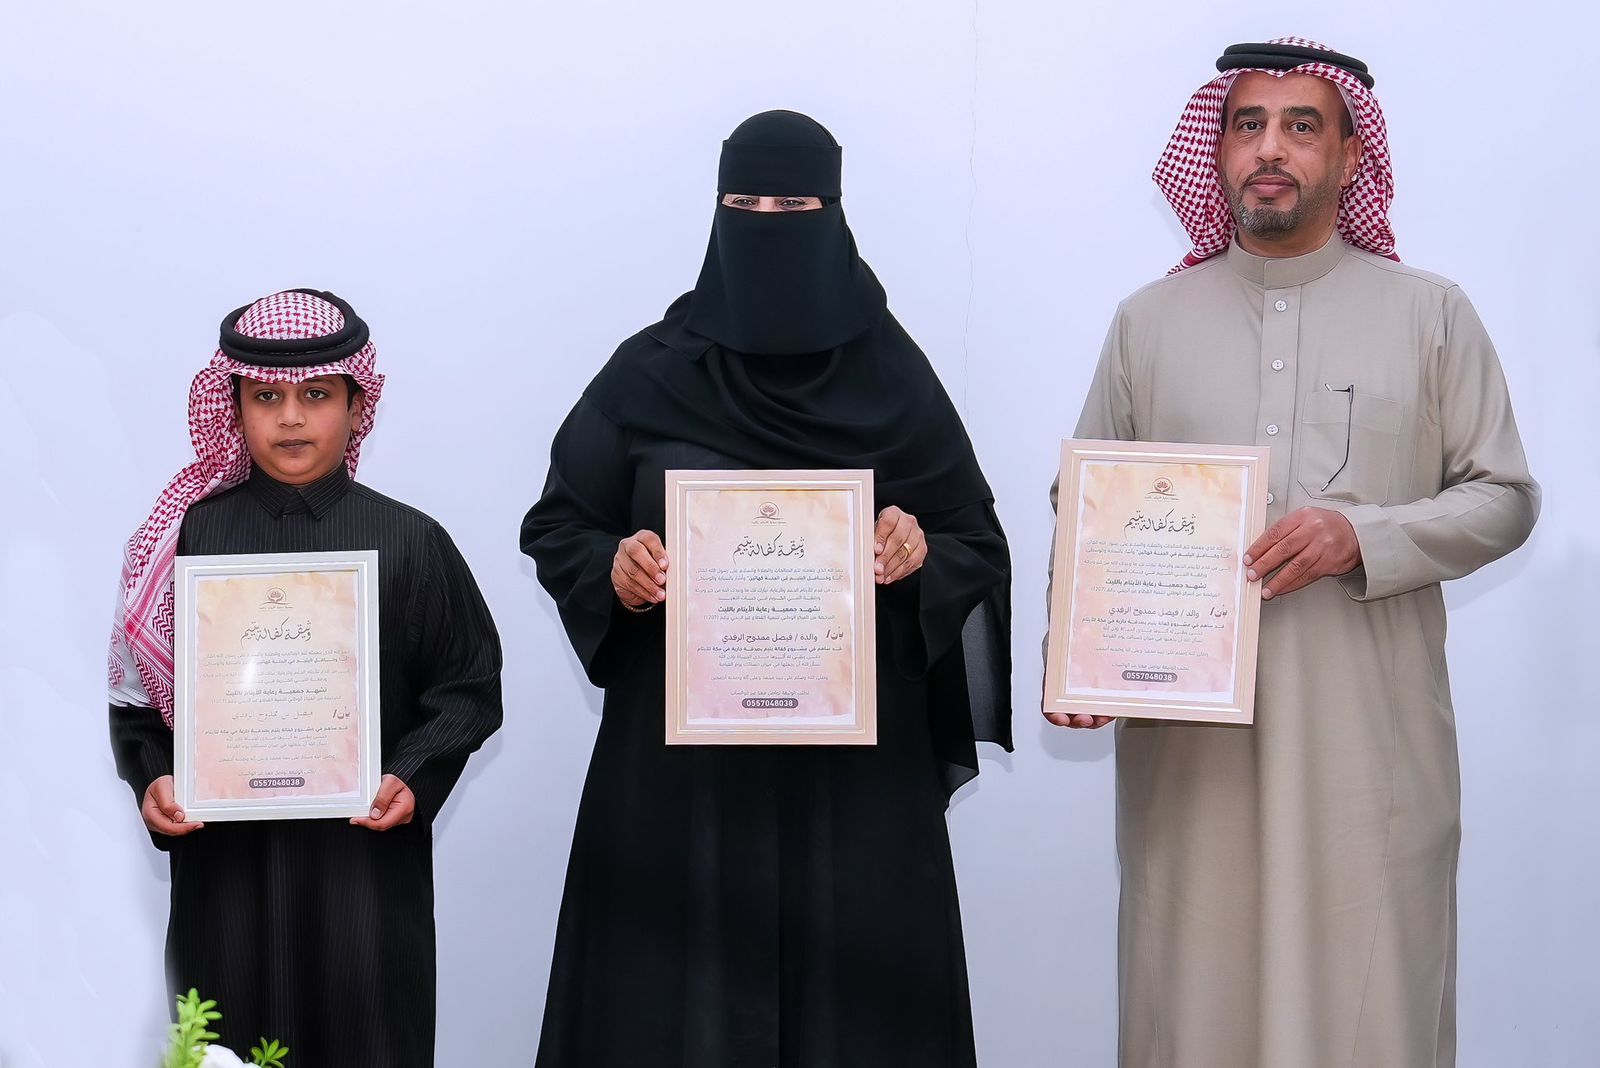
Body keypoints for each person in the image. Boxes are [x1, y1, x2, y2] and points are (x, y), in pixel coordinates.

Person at [1046, 39, 1540, 1067]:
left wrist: (1365, 533)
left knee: (1370, 1013)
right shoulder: (1148, 323)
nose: (1269, 150)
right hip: (1191, 764)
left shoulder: (1430, 314)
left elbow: (1503, 498)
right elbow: (1088, 506)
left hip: (1370, 755)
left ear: (1351, 155)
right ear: (1217, 148)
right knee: (1194, 1010)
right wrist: (1079, 659)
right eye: (1247, 125)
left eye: (1301, 126)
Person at [522, 110, 1011, 1068]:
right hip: (680, 777)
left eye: (793, 205)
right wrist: (614, 567)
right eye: (745, 201)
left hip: (853, 780)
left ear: (835, 212)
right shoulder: (649, 371)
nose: (768, 223)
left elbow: (974, 539)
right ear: (715, 212)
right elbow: (559, 524)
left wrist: (916, 553)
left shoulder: (895, 377)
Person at [108, 289, 503, 1067]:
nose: (291, 418)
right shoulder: (182, 541)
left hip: (362, 878)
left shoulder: (412, 540)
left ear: (357, 406)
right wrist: (153, 777)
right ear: (234, 407)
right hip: (224, 876)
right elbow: (134, 701)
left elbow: (467, 686)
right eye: (267, 397)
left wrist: (412, 774)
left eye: (317, 395)